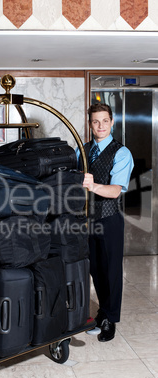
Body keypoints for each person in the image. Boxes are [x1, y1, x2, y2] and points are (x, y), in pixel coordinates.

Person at [81, 103, 134, 342]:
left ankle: (110, 320)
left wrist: (92, 186)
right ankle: (102, 312)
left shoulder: (121, 153)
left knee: (111, 270)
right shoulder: (82, 150)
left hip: (110, 218)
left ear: (112, 122)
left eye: (105, 121)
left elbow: (114, 191)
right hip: (86, 220)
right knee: (95, 269)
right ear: (90, 124)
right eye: (95, 121)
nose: (100, 126)